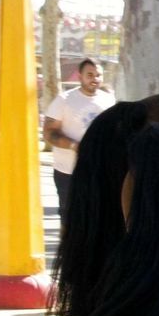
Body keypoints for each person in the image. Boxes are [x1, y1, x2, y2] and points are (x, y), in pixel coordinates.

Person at [43, 58, 115, 219]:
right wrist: (74, 145)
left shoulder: (108, 101)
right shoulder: (64, 100)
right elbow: (49, 133)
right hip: (68, 172)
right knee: (69, 218)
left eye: (98, 75)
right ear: (80, 76)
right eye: (90, 75)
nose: (94, 79)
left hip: (99, 171)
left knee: (97, 217)